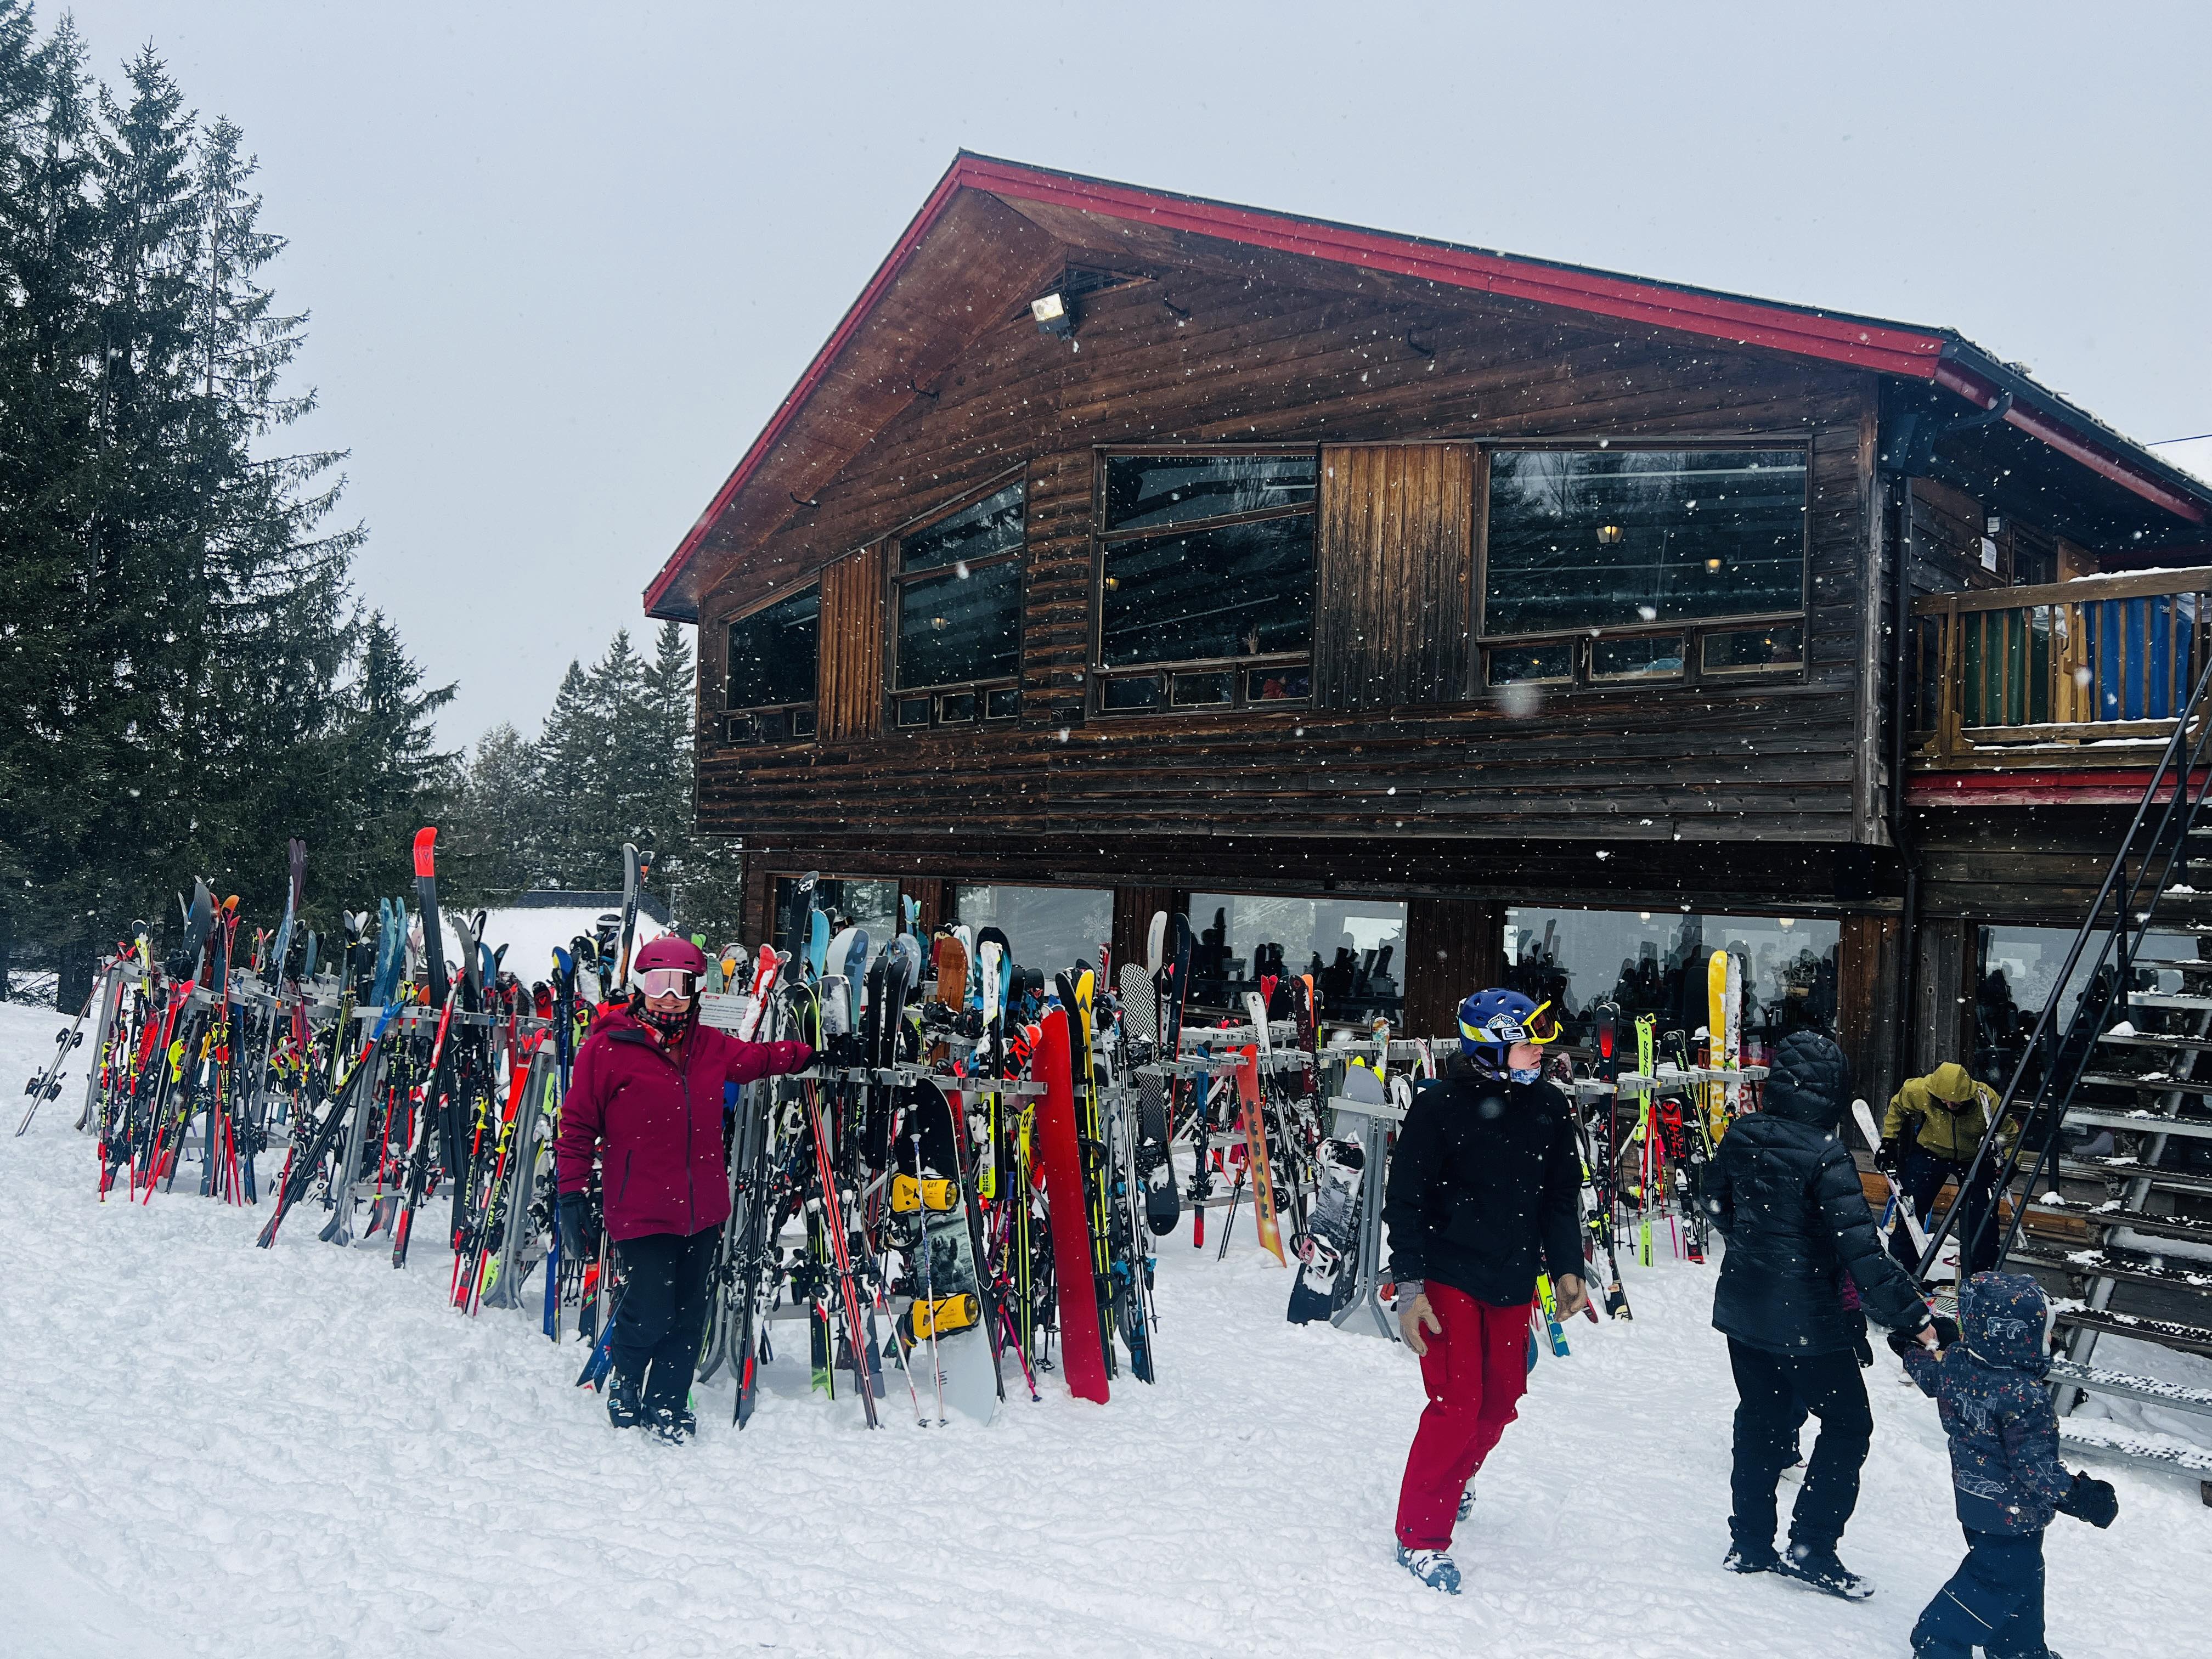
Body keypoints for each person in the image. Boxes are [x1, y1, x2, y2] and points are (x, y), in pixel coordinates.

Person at [1704, 1029, 1937, 1599]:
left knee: (1759, 1420)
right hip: (1804, 1318)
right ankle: (1811, 1547)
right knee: (1848, 1423)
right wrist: (1916, 1318)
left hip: (1745, 1308)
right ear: (1832, 1089)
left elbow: (1713, 1201)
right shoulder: (1826, 1155)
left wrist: (1756, 1247)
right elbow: (1863, 1252)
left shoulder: (1742, 1133)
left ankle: (1750, 1543)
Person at [555, 934, 813, 1442]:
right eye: (658, 983)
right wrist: (570, 1193)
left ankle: (668, 1401)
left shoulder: (709, 1046)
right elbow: (578, 1125)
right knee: (650, 1307)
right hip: (640, 1207)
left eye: (681, 985)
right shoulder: (607, 1049)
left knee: (689, 1314)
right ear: (641, 987)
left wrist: (807, 1054)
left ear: (696, 990)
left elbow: (758, 1059)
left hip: (702, 1209)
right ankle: (626, 1385)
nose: (669, 997)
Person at [1382, 988, 1587, 1595]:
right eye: (1527, 1045)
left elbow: (1560, 1196)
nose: (1540, 1054)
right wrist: (1411, 1287)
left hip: (1513, 1275)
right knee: (1457, 1403)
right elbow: (1406, 1202)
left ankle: (1458, 1474)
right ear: (1491, 1048)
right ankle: (1421, 1536)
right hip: (1448, 1274)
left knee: (1500, 1400)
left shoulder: (1549, 1106)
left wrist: (1568, 1267)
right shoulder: (1438, 1108)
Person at [1889, 1271, 2118, 1658]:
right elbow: (2035, 1468)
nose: (2050, 1340)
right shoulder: (2024, 1395)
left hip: (1976, 1501)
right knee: (1994, 1582)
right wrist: (2083, 1497)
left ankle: (2019, 1650)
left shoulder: (1960, 1363)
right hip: (2013, 1512)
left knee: (2022, 1577)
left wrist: (1910, 1351)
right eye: (2044, 1332)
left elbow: (1932, 1377)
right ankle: (1936, 1643)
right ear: (2015, 1336)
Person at [1882, 1062, 2011, 1276]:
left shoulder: (1986, 1099)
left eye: (1957, 1102)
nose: (1950, 1106)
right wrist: (1889, 1140)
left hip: (1974, 1157)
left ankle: (1982, 1276)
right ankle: (1902, 1271)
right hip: (1930, 1151)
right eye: (1944, 1101)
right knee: (1911, 1209)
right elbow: (1897, 1107)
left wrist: (2011, 1165)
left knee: (1982, 1216)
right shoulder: (1920, 1090)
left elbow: (2010, 1134)